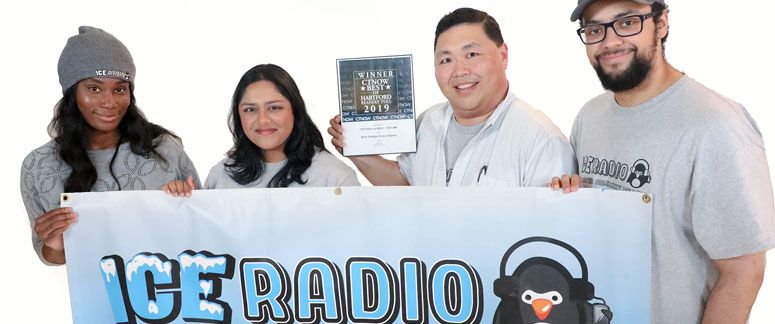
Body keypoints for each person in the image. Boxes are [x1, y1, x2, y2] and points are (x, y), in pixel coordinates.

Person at [554, 1, 775, 322]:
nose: (610, 41)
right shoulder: (590, 116)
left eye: (627, 22)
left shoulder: (716, 125)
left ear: (661, 24)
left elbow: (743, 270)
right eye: (595, 29)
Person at [328, 8, 574, 186]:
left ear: (503, 56)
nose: (460, 71)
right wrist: (357, 148)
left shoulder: (542, 141)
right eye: (446, 59)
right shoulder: (428, 122)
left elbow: (548, 237)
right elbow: (405, 185)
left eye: (472, 54)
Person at [20, 26, 201, 265]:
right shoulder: (39, 165)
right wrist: (56, 244)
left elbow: (202, 229)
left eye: (119, 89)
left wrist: (184, 199)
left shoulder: (163, 148)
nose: (109, 102)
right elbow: (51, 257)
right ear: (72, 93)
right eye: (94, 89)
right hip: (98, 296)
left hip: (172, 291)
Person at [165, 64, 359, 193]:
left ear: (295, 110)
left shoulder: (334, 176)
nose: (263, 120)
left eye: (274, 108)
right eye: (250, 109)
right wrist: (181, 202)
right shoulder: (221, 175)